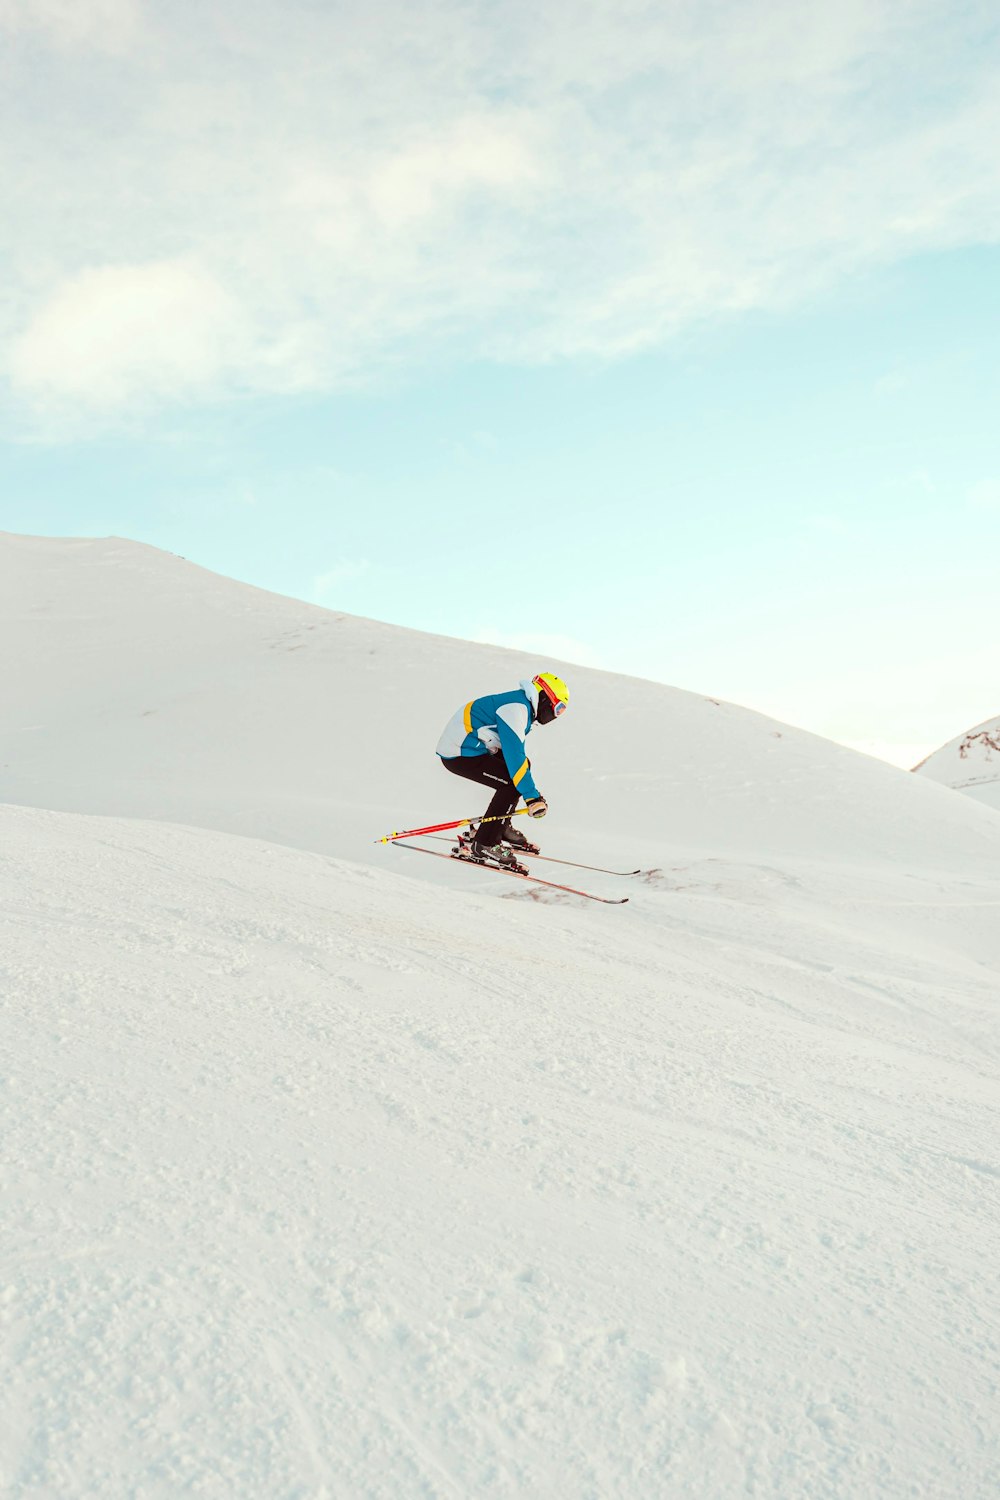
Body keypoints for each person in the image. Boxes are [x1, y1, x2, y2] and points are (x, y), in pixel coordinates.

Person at [436, 672, 570, 868]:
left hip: (473, 747)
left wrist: (529, 791)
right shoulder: (516, 709)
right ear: (543, 697)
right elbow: (515, 756)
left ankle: (500, 826)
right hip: (460, 754)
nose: (555, 715)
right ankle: (485, 843)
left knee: (521, 771)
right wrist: (532, 797)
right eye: (557, 708)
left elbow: (517, 758)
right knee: (511, 783)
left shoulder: (521, 705)